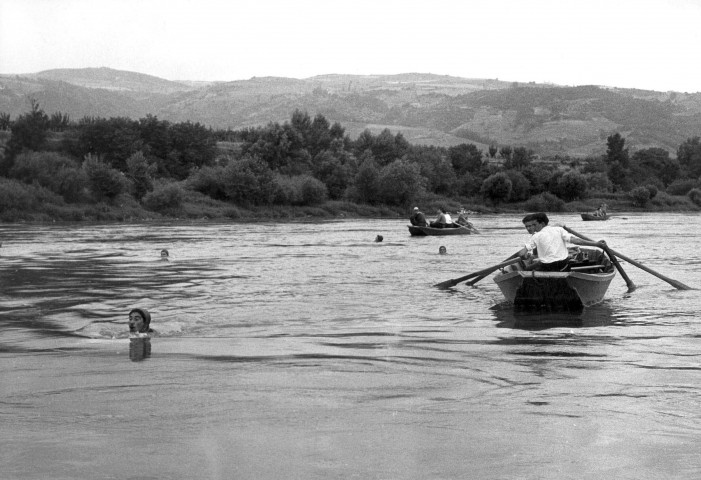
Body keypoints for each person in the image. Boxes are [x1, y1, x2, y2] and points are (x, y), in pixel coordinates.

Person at [517, 212, 606, 272]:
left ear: (542, 224)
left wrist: (525, 256)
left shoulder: (536, 236)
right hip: (563, 265)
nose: (533, 227)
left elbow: (521, 254)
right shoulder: (559, 229)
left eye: (534, 225)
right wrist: (596, 244)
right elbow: (577, 241)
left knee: (526, 270)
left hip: (547, 267)